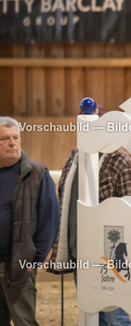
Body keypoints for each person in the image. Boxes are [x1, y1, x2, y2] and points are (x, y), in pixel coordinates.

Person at [48, 105, 131, 326]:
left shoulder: (123, 163)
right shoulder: (74, 161)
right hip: (80, 252)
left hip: (111, 258)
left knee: (116, 318)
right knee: (92, 314)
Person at [0, 117, 60, 326]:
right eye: (5, 139)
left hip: (19, 265)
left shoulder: (37, 173)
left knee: (24, 321)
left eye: (15, 137)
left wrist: (34, 261)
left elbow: (49, 221)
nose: (12, 143)